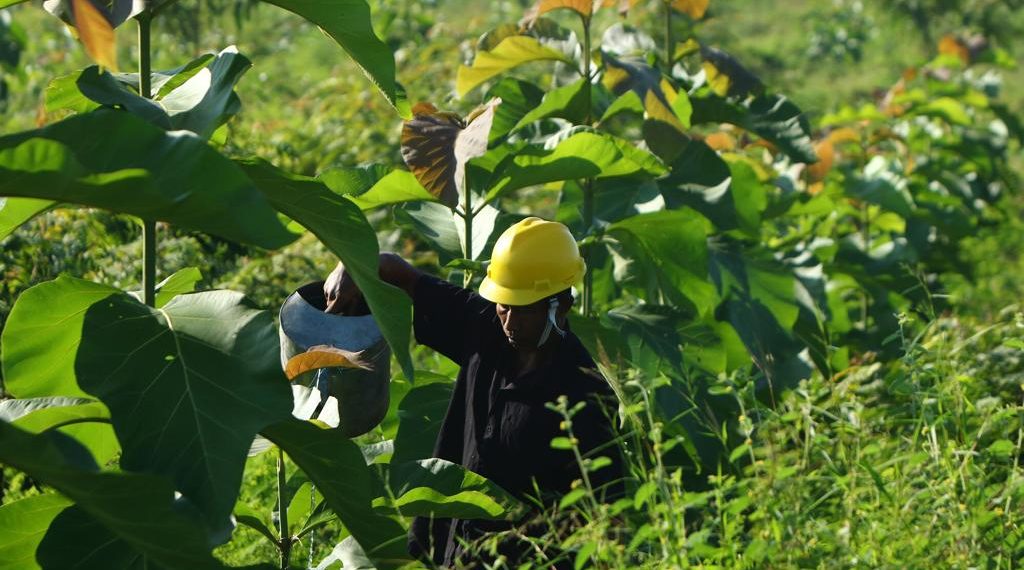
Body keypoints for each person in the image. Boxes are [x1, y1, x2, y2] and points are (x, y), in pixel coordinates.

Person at [324, 217, 624, 568]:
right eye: (504, 305)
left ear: (561, 306)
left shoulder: (584, 393)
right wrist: (349, 265)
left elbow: (607, 519)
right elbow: (400, 273)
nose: (509, 322)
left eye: (524, 309)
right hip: (448, 551)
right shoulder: (484, 328)